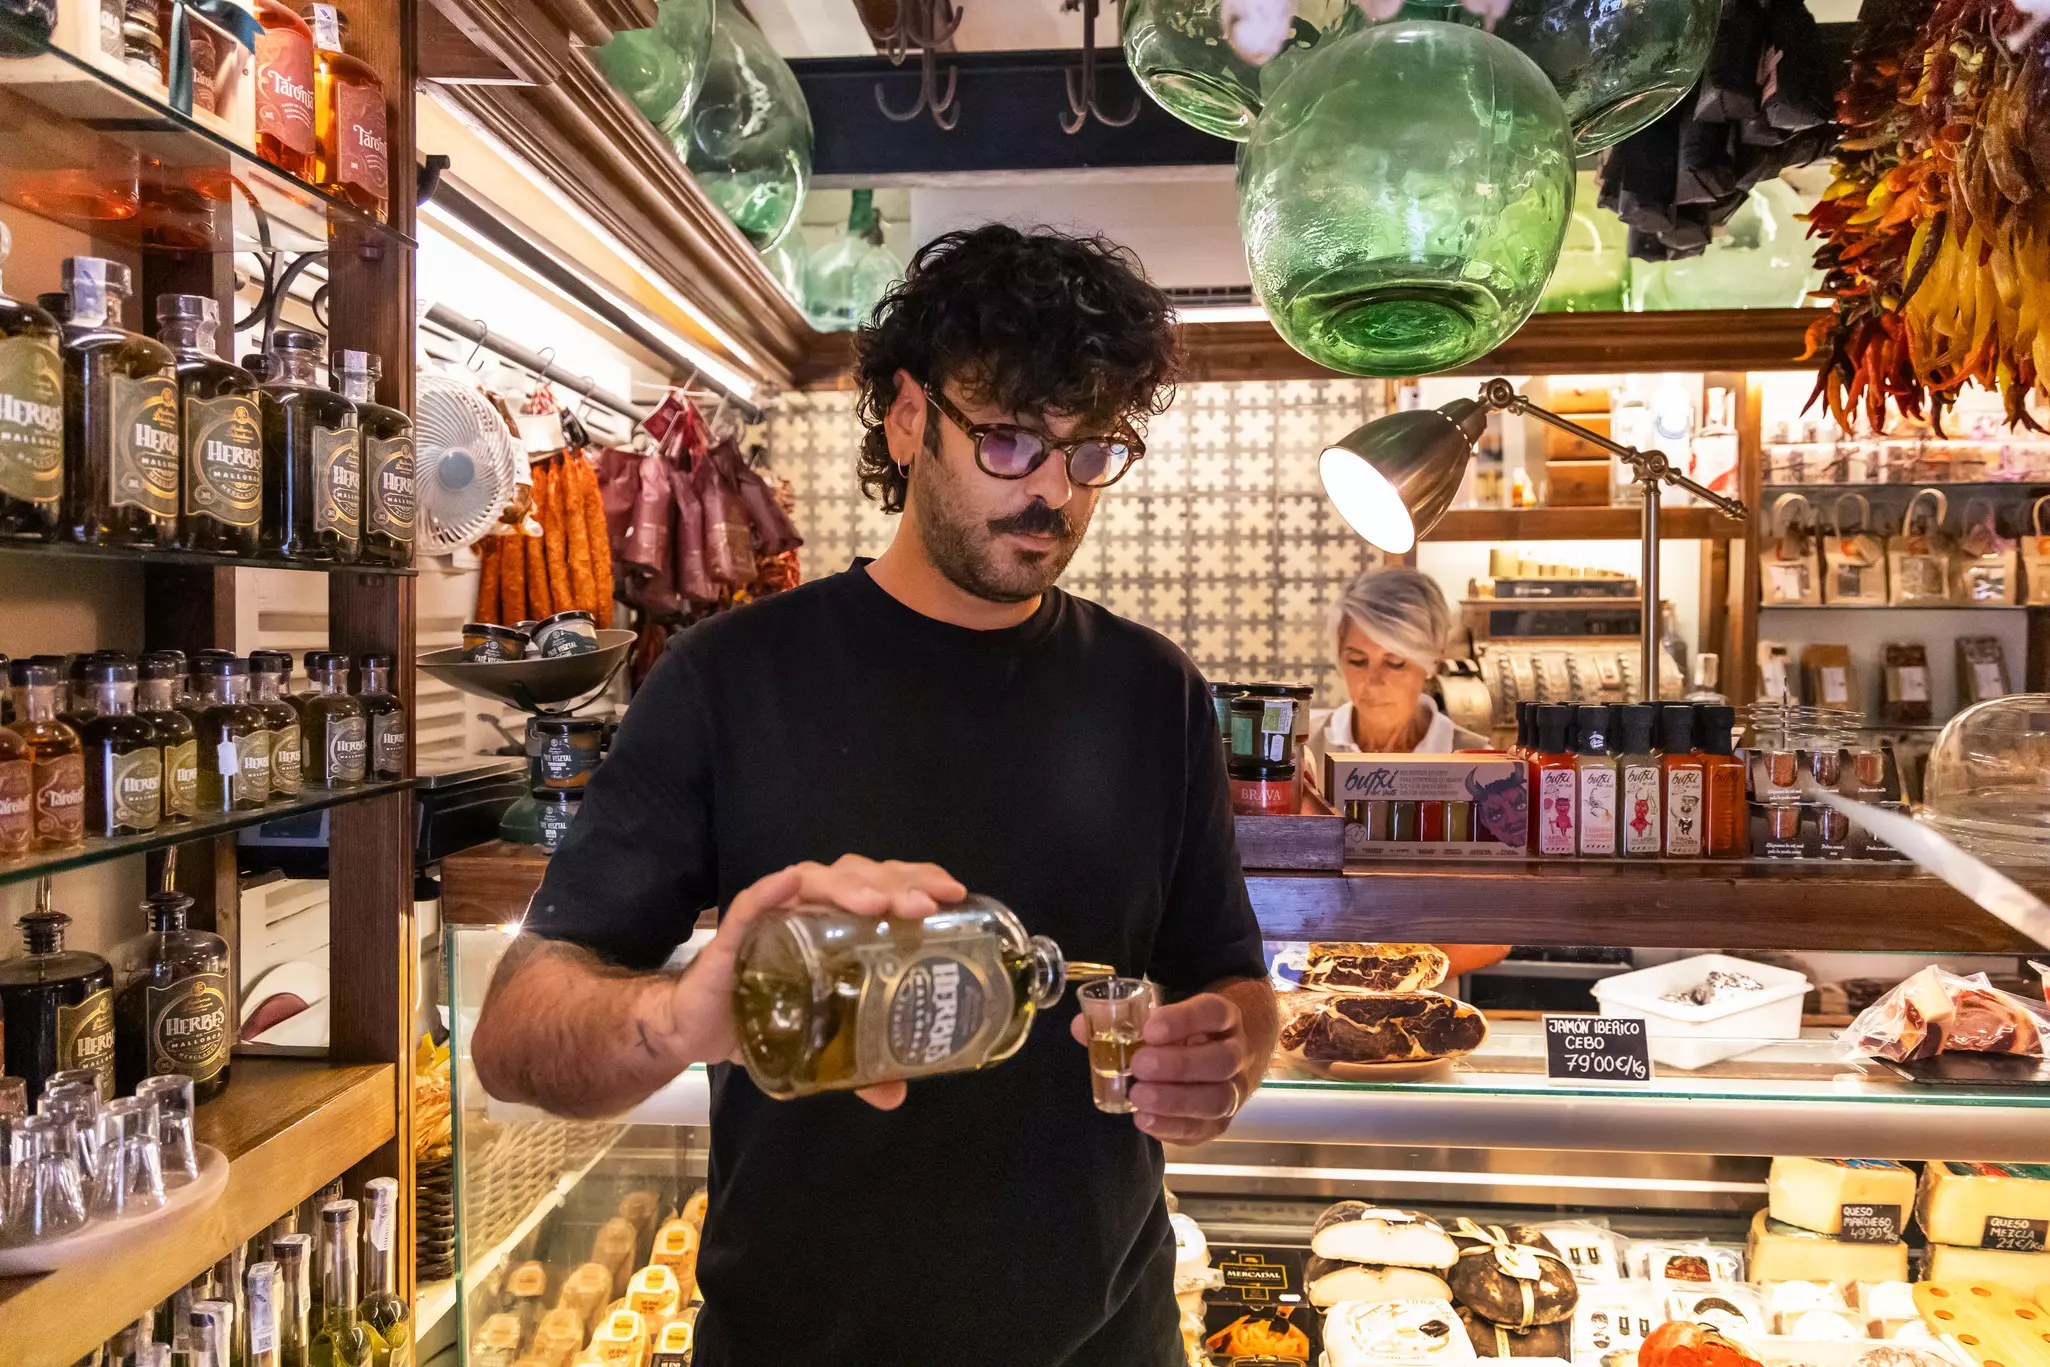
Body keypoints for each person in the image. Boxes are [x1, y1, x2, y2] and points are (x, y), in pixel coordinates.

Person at [468, 224, 1280, 1367]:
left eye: (1088, 450)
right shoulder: (729, 679)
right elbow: (512, 1034)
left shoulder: (1154, 689)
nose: (1051, 491)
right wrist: (685, 1016)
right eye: (1007, 440)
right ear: (907, 418)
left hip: (1111, 1337)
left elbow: (1233, 980)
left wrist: (1228, 1055)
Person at [1306, 566, 1489, 778]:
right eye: (1357, 661)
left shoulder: (1475, 762)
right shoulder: (1302, 751)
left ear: (1432, 659)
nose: (1373, 682)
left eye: (1394, 663)